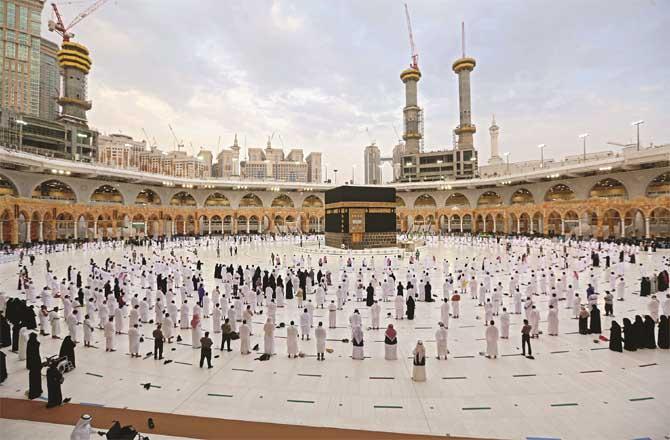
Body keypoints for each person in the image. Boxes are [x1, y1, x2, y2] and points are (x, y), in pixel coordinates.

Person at [26, 332, 42, 399]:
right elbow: (38, 343)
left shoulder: (29, 343)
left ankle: (34, 391)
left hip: (32, 364)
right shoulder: (36, 343)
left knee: (33, 379)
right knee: (37, 377)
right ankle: (38, 390)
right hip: (36, 363)